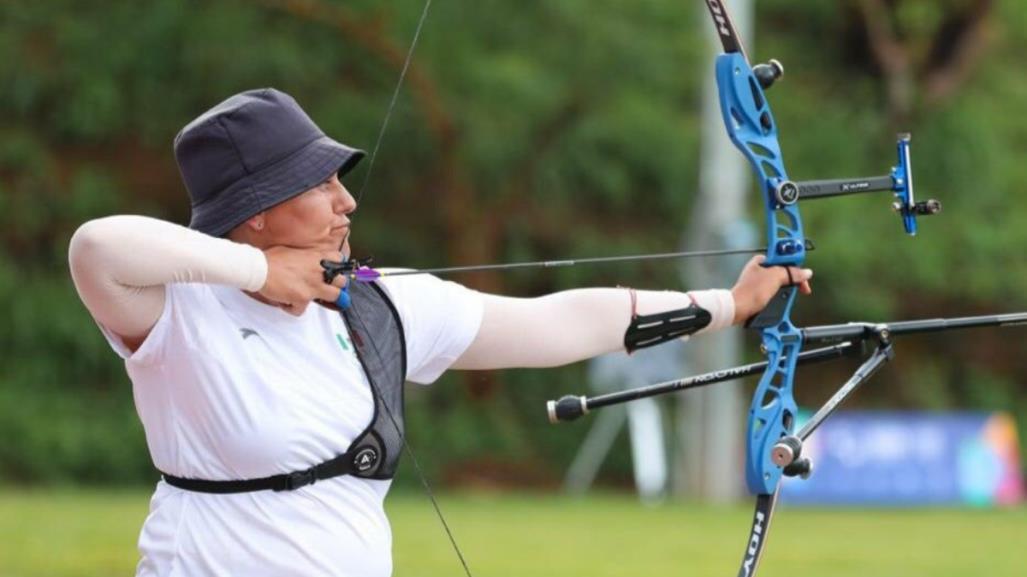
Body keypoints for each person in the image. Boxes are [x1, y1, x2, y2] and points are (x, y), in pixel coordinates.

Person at [67, 88, 812, 577]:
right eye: (319, 184)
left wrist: (728, 303)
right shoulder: (178, 313)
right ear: (257, 209)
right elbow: (96, 246)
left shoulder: (377, 305)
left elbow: (557, 322)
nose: (346, 201)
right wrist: (257, 274)